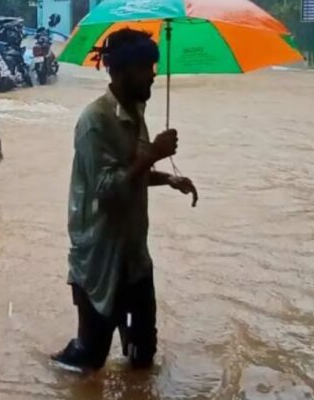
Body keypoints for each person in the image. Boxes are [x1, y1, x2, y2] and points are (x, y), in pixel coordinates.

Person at [50, 28, 198, 373]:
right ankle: (48, 367)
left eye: (153, 66)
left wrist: (168, 178)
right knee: (89, 360)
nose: (154, 74)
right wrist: (154, 156)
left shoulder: (135, 111)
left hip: (134, 253)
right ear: (120, 71)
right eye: (146, 67)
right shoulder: (94, 121)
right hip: (100, 258)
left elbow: (130, 173)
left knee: (143, 354)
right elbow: (106, 188)